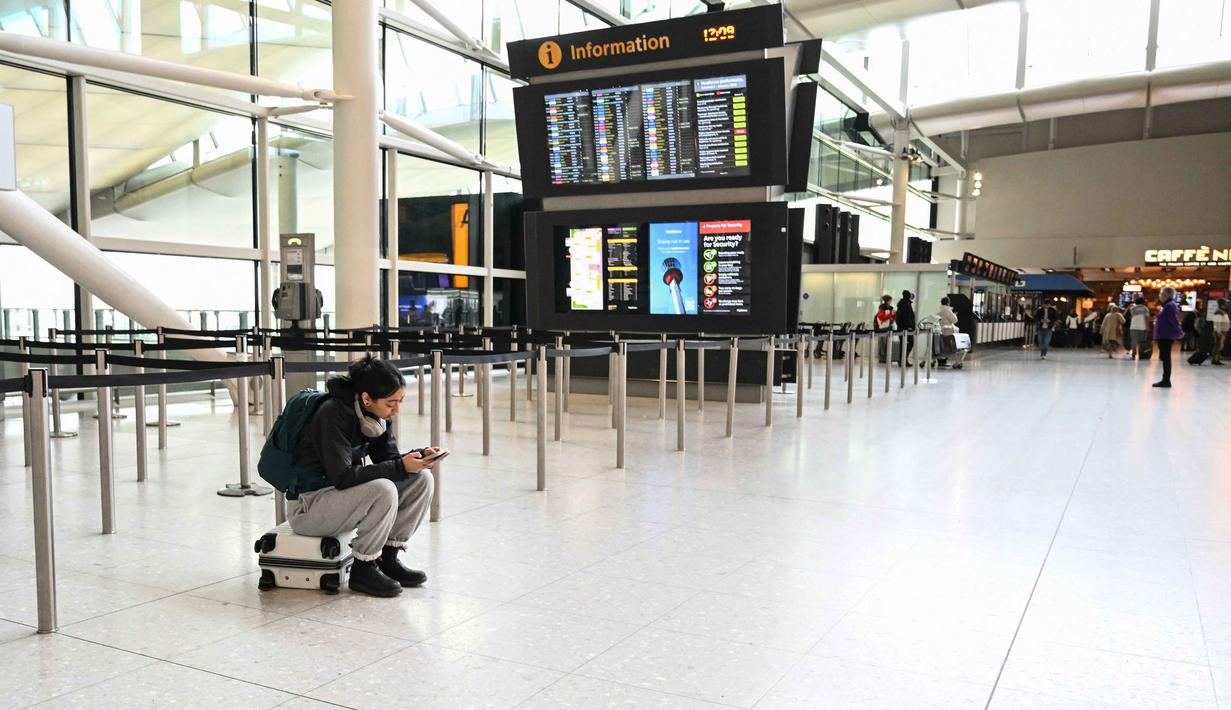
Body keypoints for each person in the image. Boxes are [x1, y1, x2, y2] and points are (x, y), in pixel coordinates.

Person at [290, 356, 438, 597]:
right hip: (310, 507)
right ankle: (363, 567)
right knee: (383, 488)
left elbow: (387, 459)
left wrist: (418, 457)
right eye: (391, 403)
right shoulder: (331, 414)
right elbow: (343, 477)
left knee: (421, 480)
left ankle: (387, 559)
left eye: (400, 402)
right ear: (367, 398)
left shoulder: (376, 415)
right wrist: (401, 466)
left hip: (341, 499)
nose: (396, 410)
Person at [1153, 287, 1183, 388]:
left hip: (1166, 335)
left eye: (1161, 294)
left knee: (1166, 358)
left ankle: (1166, 380)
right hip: (1163, 335)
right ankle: (1165, 379)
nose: (1159, 296)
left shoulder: (1170, 306)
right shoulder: (1167, 305)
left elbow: (1173, 320)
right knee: (1164, 357)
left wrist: (1179, 332)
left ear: (1166, 295)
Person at [896, 290, 917, 365]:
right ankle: (903, 360)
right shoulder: (906, 305)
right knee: (910, 343)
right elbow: (907, 318)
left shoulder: (901, 304)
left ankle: (902, 360)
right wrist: (910, 326)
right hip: (907, 329)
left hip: (901, 328)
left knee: (903, 344)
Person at [1213, 299, 1230, 366]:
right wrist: (1218, 332)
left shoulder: (1222, 312)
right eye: (1225, 303)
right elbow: (1218, 323)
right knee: (1218, 346)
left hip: (1222, 332)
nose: (1226, 305)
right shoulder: (1219, 312)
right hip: (1220, 332)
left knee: (1220, 346)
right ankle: (1215, 359)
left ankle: (1217, 359)